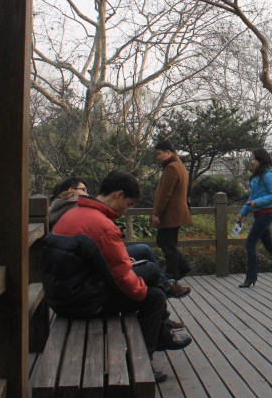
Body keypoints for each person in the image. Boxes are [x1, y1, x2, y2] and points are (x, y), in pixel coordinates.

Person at [42, 171, 191, 383]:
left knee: (150, 280)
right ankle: (143, 363)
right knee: (155, 295)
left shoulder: (76, 212)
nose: (126, 209)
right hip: (80, 302)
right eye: (128, 203)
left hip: (63, 294)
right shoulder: (102, 225)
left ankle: (161, 336)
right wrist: (143, 290)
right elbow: (125, 282)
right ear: (118, 194)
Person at [234, 148, 272, 288]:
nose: (252, 161)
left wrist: (257, 202)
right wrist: (243, 212)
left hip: (266, 213)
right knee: (269, 245)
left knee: (250, 244)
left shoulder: (268, 174)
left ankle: (250, 278)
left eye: (254, 158)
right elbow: (252, 197)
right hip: (259, 214)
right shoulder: (257, 175)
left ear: (260, 159)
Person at [152, 140, 193, 280]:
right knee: (167, 242)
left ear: (168, 152)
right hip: (175, 213)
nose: (158, 157)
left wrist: (157, 213)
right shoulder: (179, 166)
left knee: (166, 243)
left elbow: (165, 193)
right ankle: (181, 267)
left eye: (159, 154)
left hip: (170, 214)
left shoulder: (171, 168)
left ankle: (173, 273)